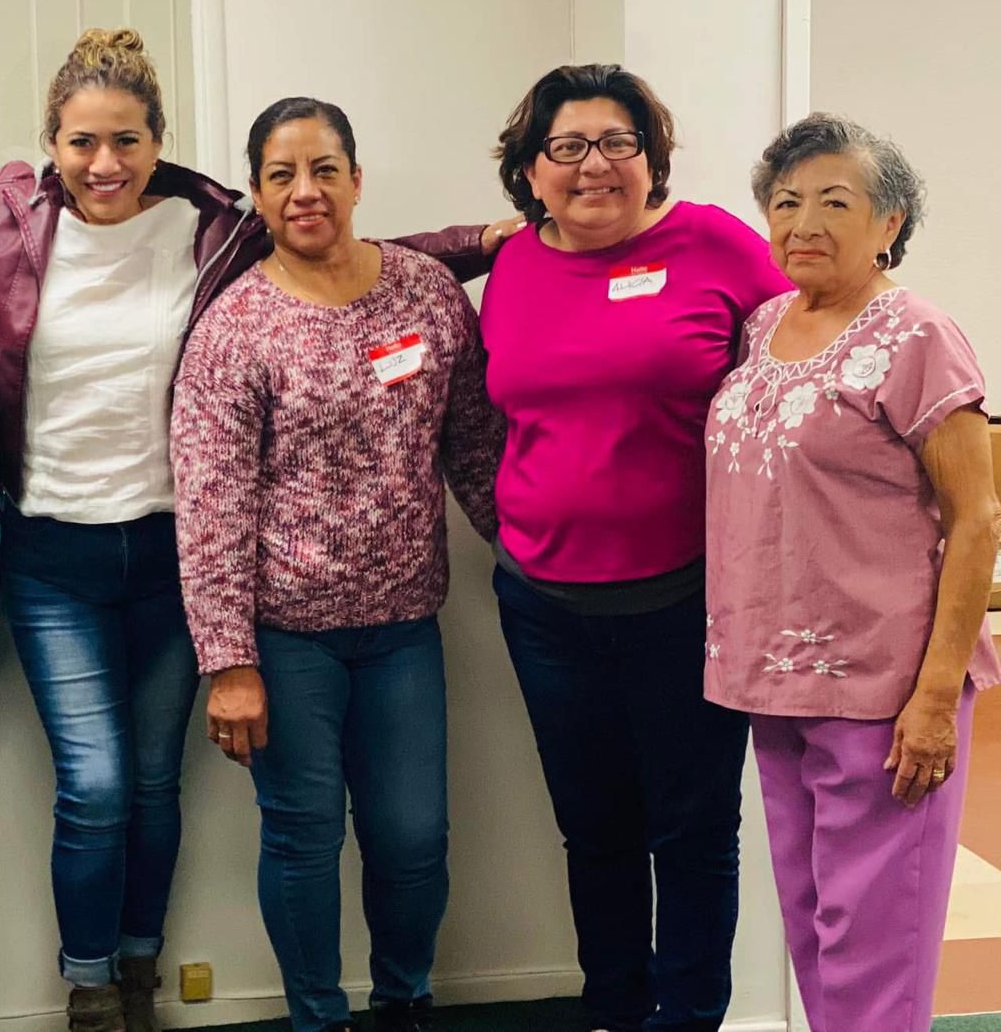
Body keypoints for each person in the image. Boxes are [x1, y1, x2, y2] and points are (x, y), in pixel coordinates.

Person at [0, 29, 517, 1032]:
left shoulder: (211, 225)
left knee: (152, 784)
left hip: (167, 552)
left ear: (157, 142)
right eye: (82, 142)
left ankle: (139, 970)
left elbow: (346, 247)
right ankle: (88, 984)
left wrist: (486, 241)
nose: (104, 163)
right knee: (92, 787)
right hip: (50, 558)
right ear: (50, 145)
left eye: (126, 140)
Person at [170, 97, 502, 1032]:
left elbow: (475, 446)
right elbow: (211, 506)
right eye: (281, 175)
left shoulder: (426, 292)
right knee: (304, 840)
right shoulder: (236, 328)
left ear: (357, 180)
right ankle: (317, 1016)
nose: (305, 191)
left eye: (324, 170)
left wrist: (534, 555)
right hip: (286, 642)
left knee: (413, 839)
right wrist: (228, 661)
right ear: (257, 194)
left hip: (402, 631)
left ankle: (404, 1000)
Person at [477, 63, 792, 1032]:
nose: (594, 165)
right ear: (532, 170)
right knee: (594, 829)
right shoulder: (515, 266)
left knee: (692, 832)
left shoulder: (714, 245)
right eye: (567, 146)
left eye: (617, 142)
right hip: (543, 608)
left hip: (686, 604)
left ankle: (688, 1017)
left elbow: (816, 347)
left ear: (651, 156)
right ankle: (613, 1008)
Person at [704, 113, 1000, 1032]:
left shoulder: (917, 335)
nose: (804, 222)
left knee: (877, 946)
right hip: (773, 683)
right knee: (816, 928)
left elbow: (978, 517)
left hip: (884, 688)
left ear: (890, 223)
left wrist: (935, 694)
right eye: (786, 202)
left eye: (836, 202)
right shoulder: (765, 325)